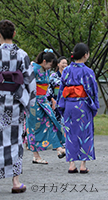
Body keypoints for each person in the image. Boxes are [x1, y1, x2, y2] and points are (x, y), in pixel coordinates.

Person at [0, 19, 36, 193]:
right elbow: (29, 80)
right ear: (14, 34)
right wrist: (31, 102)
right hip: (14, 103)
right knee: (14, 140)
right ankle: (15, 182)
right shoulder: (22, 54)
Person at [57, 43, 99, 174]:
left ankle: (71, 164)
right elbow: (93, 91)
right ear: (85, 54)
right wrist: (94, 106)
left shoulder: (67, 70)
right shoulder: (88, 71)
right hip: (83, 105)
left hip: (69, 104)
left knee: (70, 133)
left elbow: (62, 90)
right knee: (84, 133)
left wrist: (61, 105)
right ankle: (82, 165)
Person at [26, 49, 66, 164]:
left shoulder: (46, 71)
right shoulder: (33, 69)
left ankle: (58, 148)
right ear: (44, 61)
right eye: (49, 64)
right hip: (33, 102)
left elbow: (46, 88)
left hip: (44, 100)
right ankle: (36, 155)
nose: (50, 67)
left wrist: (51, 99)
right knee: (33, 128)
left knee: (52, 122)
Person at [46, 56, 68, 146]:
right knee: (56, 121)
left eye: (66, 63)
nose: (64, 65)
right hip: (55, 100)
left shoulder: (69, 76)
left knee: (65, 121)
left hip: (66, 100)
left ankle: (66, 141)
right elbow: (49, 89)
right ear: (58, 64)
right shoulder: (53, 76)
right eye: (62, 63)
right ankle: (57, 142)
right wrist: (52, 100)